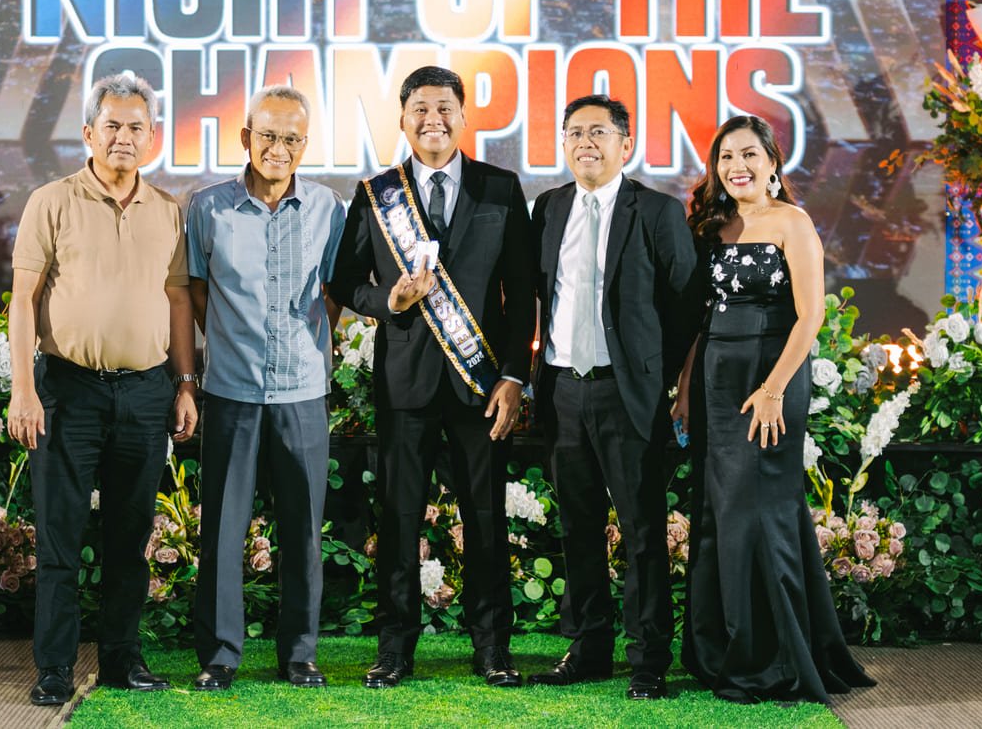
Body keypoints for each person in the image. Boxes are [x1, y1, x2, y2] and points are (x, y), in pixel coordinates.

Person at [329, 65, 536, 689]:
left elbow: (522, 290)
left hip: (481, 385)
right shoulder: (376, 195)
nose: (433, 120)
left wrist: (514, 375)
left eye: (445, 107)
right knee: (398, 517)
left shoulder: (501, 188)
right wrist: (387, 302)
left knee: (485, 517)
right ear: (402, 119)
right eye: (420, 108)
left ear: (464, 116)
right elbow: (345, 283)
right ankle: (394, 647)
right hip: (406, 383)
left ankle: (492, 646)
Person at [6, 71, 199, 707]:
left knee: (129, 540)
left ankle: (122, 659)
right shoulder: (51, 201)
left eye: (136, 127)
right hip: (67, 391)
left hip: (145, 393)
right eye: (112, 125)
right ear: (89, 133)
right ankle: (54, 668)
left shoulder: (168, 211)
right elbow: (23, 301)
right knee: (60, 540)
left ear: (154, 138)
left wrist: (184, 385)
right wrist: (24, 391)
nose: (123, 136)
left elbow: (178, 302)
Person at [674, 114, 874, 705]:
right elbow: (702, 316)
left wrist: (772, 389)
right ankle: (719, 649)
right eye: (726, 157)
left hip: (771, 377)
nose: (736, 166)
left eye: (748, 155)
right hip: (715, 377)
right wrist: (684, 387)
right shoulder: (712, 225)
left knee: (760, 511)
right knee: (718, 511)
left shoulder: (793, 221)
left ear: (771, 162)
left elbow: (811, 315)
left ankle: (773, 659)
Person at [528, 95, 697, 701]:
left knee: (642, 530)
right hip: (562, 392)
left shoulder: (657, 211)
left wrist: (656, 378)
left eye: (598, 132)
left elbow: (685, 305)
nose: (585, 143)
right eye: (574, 132)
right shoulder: (549, 207)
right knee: (577, 527)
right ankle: (589, 646)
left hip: (628, 397)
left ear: (627, 144)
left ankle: (649, 657)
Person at [184, 86, 346, 692]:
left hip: (303, 392)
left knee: (302, 532)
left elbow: (334, 292)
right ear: (246, 138)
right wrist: (232, 342)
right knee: (223, 531)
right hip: (232, 390)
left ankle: (299, 654)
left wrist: (312, 343)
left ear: (306, 144)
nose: (279, 148)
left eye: (292, 138)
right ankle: (220, 655)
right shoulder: (207, 207)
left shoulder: (330, 207)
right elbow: (197, 290)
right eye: (269, 135)